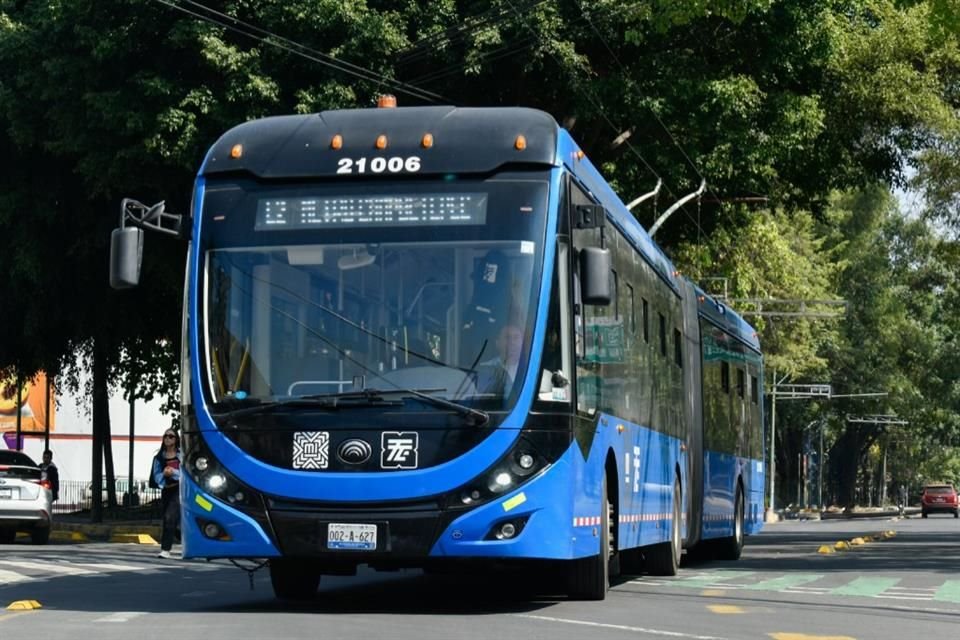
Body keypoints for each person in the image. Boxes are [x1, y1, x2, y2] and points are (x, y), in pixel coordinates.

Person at [151, 429, 181, 559]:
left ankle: (165, 549)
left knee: (170, 517)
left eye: (171, 436)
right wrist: (164, 473)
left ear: (176, 439)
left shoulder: (181, 455)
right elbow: (156, 476)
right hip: (166, 489)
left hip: (178, 489)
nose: (168, 438)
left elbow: (186, 473)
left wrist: (173, 472)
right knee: (170, 520)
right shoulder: (158, 458)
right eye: (165, 436)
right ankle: (186, 542)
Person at [478, 324, 525, 397]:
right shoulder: (484, 369)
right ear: (497, 343)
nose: (512, 342)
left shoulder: (531, 371)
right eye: (507, 337)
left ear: (522, 343)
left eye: (516, 337)